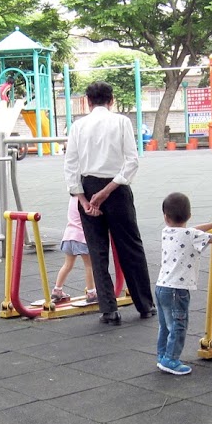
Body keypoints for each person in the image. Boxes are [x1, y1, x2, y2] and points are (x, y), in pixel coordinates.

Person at [63, 80, 155, 325]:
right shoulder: (122, 122)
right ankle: (144, 305)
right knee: (130, 247)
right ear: (111, 100)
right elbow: (131, 161)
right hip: (117, 189)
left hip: (88, 187)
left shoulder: (78, 126)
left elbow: (70, 165)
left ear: (88, 101)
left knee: (97, 249)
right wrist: (108, 190)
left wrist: (82, 199)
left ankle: (108, 309)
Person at [155, 192, 212, 375]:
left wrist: (211, 225)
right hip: (177, 290)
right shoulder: (191, 235)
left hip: (162, 287)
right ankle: (171, 360)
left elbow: (193, 231)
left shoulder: (167, 232)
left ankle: (163, 355)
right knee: (179, 325)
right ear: (189, 215)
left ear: (165, 216)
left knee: (165, 325)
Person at [51, 196, 96, 304]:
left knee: (67, 265)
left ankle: (57, 289)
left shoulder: (73, 198)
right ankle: (91, 292)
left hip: (69, 235)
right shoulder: (85, 199)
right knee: (89, 265)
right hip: (82, 237)